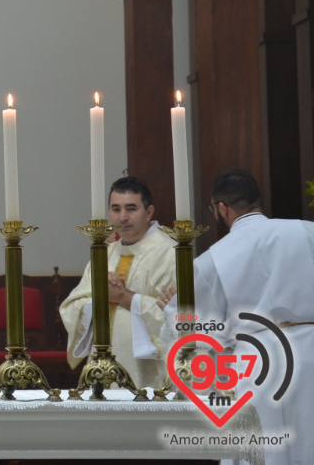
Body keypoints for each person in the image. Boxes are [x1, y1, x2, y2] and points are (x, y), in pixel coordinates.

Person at [161, 169, 314, 465]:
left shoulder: (216, 257)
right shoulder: (307, 231)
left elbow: (196, 329)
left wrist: (172, 307)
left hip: (261, 364)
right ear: (257, 200)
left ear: (222, 208)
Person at [59, 176, 176, 388]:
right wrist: (99, 297)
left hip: (147, 375)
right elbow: (70, 308)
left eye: (131, 209)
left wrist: (124, 297)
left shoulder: (170, 254)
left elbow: (178, 320)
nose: (122, 217)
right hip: (100, 370)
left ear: (149, 212)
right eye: (115, 209)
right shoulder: (105, 254)